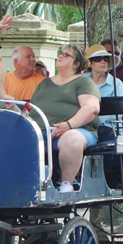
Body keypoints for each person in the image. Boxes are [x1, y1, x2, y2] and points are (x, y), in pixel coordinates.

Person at [30, 44, 100, 192]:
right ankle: (28, 185)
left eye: (67, 55)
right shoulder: (44, 83)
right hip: (41, 132)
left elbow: (91, 108)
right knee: (20, 139)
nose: (61, 56)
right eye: (60, 53)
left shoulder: (83, 82)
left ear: (76, 63)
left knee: (71, 138)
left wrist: (69, 125)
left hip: (77, 131)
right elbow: (32, 110)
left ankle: (66, 184)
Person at [83, 44, 123, 137]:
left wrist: (88, 120)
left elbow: (116, 113)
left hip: (109, 128)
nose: (103, 62)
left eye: (106, 59)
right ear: (90, 63)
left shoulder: (116, 83)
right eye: (98, 59)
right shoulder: (82, 80)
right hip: (84, 126)